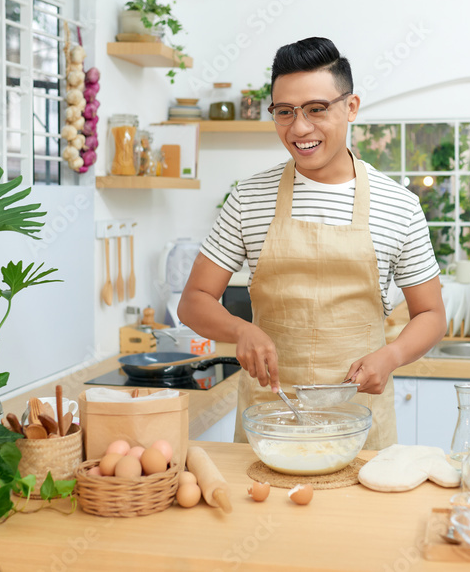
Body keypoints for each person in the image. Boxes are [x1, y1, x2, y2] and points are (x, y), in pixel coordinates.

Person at [177, 37, 446, 449]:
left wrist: (390, 357)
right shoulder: (248, 198)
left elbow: (431, 313)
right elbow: (194, 299)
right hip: (270, 419)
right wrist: (240, 329)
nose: (299, 128)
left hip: (360, 421)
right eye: (284, 112)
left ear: (351, 107)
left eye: (316, 110)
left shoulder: (399, 206)